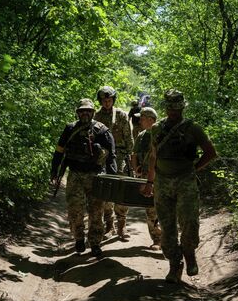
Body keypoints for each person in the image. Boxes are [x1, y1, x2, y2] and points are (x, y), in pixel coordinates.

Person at [140, 89, 217, 283]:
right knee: (167, 227)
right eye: (171, 108)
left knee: (189, 223)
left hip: (185, 182)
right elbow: (153, 157)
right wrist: (150, 182)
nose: (174, 112)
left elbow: (211, 152)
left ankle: (189, 254)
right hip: (162, 182)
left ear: (183, 108)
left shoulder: (193, 128)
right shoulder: (157, 128)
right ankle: (175, 265)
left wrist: (194, 169)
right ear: (166, 109)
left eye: (177, 108)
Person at [51, 98, 117, 257]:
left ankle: (95, 244)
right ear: (78, 113)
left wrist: (112, 178)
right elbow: (59, 151)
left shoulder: (102, 131)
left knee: (96, 212)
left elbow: (111, 156)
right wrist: (54, 169)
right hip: (75, 175)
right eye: (81, 111)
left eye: (88, 110)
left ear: (93, 112)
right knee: (75, 210)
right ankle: (79, 239)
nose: (84, 113)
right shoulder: (70, 129)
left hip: (96, 176)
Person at [93, 86, 134, 240]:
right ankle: (109, 225)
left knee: (122, 189)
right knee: (106, 190)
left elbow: (129, 138)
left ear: (113, 100)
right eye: (104, 100)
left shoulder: (121, 115)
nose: (107, 103)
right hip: (103, 157)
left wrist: (130, 156)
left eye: (109, 100)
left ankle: (122, 226)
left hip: (120, 156)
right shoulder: (96, 116)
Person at [130, 107, 162, 250]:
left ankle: (164, 239)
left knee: (161, 207)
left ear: (151, 119)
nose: (139, 121)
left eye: (142, 118)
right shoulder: (141, 135)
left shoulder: (161, 134)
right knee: (149, 208)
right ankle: (157, 239)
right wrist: (135, 168)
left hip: (159, 176)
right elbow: (134, 154)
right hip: (144, 176)